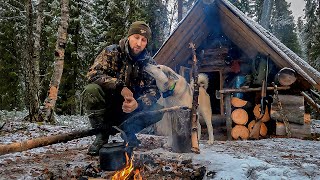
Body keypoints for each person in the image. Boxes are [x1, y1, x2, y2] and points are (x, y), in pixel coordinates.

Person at [82, 21, 162, 156]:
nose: (139, 43)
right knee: (91, 90)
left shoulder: (149, 63)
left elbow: (154, 90)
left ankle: (128, 131)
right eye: (136, 37)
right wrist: (120, 86)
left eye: (143, 40)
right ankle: (102, 135)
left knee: (158, 110)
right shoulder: (112, 52)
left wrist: (138, 103)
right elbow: (93, 74)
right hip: (108, 107)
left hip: (130, 110)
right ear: (129, 36)